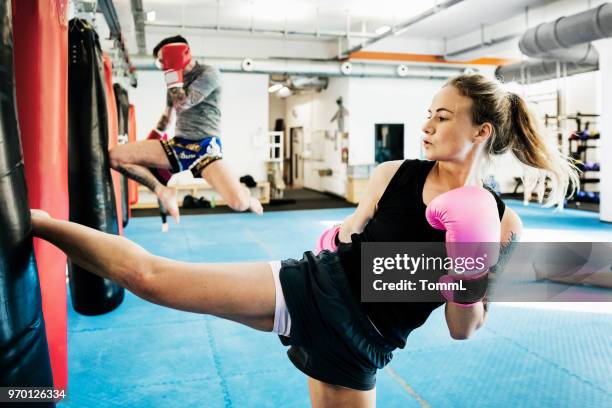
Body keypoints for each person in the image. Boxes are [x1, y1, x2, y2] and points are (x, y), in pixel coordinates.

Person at [31, 73, 578, 407]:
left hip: (364, 340)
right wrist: (338, 240)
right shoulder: (395, 173)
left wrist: (467, 256)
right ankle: (35, 220)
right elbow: (345, 238)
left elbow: (464, 328)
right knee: (151, 277)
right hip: (309, 288)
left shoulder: (504, 224)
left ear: (482, 131)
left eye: (442, 116)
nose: (428, 126)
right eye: (426, 115)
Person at [108, 35, 263, 224]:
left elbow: (184, 103)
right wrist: (152, 138)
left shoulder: (208, 73)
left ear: (181, 53)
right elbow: (167, 117)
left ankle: (246, 193)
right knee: (116, 156)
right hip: (178, 146)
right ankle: (163, 191)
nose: (163, 65)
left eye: (163, 59)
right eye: (161, 61)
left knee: (239, 203)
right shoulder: (173, 81)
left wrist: (172, 73)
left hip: (205, 149)